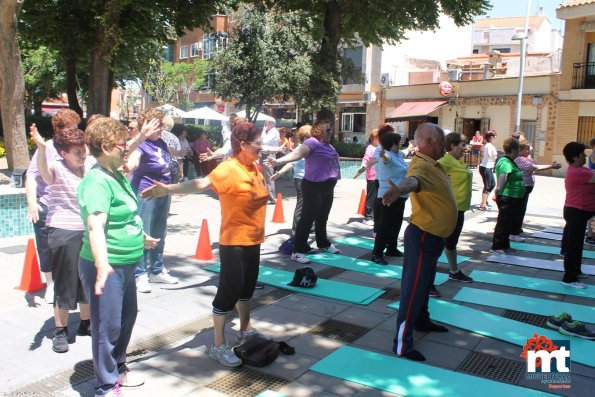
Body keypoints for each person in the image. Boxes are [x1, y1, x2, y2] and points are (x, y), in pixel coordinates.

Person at [141, 121, 269, 367]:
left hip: (254, 240)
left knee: (247, 290)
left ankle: (246, 330)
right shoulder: (229, 168)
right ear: (242, 145)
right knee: (228, 294)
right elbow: (200, 183)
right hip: (234, 242)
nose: (261, 148)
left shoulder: (254, 167)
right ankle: (218, 345)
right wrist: (168, 189)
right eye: (258, 144)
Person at [78, 117, 159, 396]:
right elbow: (95, 225)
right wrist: (101, 263)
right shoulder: (97, 180)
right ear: (105, 146)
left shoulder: (115, 174)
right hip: (107, 266)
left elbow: (124, 216)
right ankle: (105, 385)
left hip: (126, 263)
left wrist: (141, 235)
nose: (126, 149)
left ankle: (119, 367)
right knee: (107, 327)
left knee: (125, 319)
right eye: (122, 145)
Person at [382, 123, 457, 362]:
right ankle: (401, 345)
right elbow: (412, 181)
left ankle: (422, 320)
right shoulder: (421, 165)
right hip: (423, 236)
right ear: (429, 142)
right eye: (441, 140)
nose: (444, 144)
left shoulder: (434, 163)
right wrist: (398, 190)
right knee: (413, 288)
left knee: (425, 283)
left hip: (433, 236)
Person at [30, 125, 93, 354]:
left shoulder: (90, 167)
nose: (82, 154)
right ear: (64, 153)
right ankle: (60, 330)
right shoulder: (57, 167)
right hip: (64, 231)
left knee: (87, 281)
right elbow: (43, 173)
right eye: (77, 152)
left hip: (88, 232)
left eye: (83, 149)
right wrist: (40, 147)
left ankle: (86, 323)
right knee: (65, 284)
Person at [267, 120, 342, 264]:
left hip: (328, 186)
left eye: (330, 130)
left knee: (322, 217)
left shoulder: (328, 145)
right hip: (314, 186)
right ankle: (298, 250)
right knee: (307, 218)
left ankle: (323, 243)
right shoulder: (312, 143)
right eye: (327, 130)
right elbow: (297, 155)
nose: (330, 132)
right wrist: (278, 161)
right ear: (319, 131)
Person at [26, 110, 81, 304]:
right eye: (71, 127)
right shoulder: (48, 147)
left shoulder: (79, 147)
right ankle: (50, 284)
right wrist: (32, 202)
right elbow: (32, 175)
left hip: (72, 207)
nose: (75, 130)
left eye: (76, 126)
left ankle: (72, 284)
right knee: (46, 246)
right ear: (59, 129)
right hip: (49, 204)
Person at [125, 109, 179, 293]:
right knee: (144, 232)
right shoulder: (141, 145)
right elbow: (133, 159)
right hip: (145, 193)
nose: (161, 129)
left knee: (159, 232)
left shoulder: (161, 142)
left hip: (163, 191)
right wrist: (128, 166)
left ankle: (156, 269)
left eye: (162, 125)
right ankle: (139, 273)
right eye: (158, 125)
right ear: (146, 127)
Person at [438, 133, 473, 283]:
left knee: (451, 243)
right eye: (462, 145)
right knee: (438, 244)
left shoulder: (457, 162)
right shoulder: (444, 162)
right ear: (452, 146)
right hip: (449, 209)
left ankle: (454, 271)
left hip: (459, 208)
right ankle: (427, 281)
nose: (465, 148)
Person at [559, 142, 595, 289]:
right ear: (575, 157)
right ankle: (569, 278)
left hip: (577, 211)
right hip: (576, 212)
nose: (585, 156)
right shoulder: (579, 172)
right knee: (573, 246)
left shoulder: (579, 169)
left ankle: (576, 271)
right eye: (583, 154)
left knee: (577, 244)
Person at [510, 142, 561, 242]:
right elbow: (534, 167)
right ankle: (513, 233)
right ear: (520, 150)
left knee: (522, 209)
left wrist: (551, 164)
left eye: (529, 149)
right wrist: (551, 166)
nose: (528, 151)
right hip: (523, 187)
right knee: (519, 210)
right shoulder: (520, 159)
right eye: (526, 149)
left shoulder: (526, 158)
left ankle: (517, 230)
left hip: (526, 187)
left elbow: (536, 163)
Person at [371, 132, 409, 264]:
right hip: (388, 196)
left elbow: (406, 151)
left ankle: (392, 248)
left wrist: (411, 147)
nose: (399, 145)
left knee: (396, 223)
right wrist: (383, 154)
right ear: (390, 145)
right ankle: (377, 253)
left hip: (400, 195)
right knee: (386, 225)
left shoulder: (398, 154)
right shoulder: (386, 156)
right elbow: (386, 158)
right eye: (397, 143)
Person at [271, 125, 311, 235]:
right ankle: (296, 229)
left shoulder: (311, 148)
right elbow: (291, 163)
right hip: (301, 180)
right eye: (309, 136)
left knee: (310, 204)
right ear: (304, 137)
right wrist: (279, 172)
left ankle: (309, 226)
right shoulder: (300, 149)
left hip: (311, 180)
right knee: (301, 204)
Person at [491, 138, 525, 254]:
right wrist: (498, 189)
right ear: (514, 149)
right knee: (504, 221)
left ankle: (505, 245)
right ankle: (497, 245)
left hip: (512, 196)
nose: (519, 152)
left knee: (508, 221)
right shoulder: (505, 162)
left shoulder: (510, 161)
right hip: (507, 196)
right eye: (518, 149)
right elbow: (503, 176)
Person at [353, 129, 380, 226]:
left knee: (378, 198)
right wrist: (362, 167)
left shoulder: (379, 148)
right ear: (373, 139)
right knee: (371, 197)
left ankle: (374, 216)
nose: (380, 141)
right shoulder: (370, 148)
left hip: (379, 177)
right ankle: (368, 216)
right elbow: (366, 159)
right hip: (372, 177)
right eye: (378, 139)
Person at [261, 119, 281, 203]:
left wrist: (263, 131)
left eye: (266, 123)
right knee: (265, 176)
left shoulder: (273, 132)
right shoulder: (270, 131)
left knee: (268, 176)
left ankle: (271, 197)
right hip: (266, 154)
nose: (265, 124)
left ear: (271, 124)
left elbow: (264, 141)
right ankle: (268, 196)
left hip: (268, 155)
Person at [160, 115, 184, 183]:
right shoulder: (174, 137)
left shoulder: (157, 135)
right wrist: (181, 171)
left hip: (160, 164)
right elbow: (179, 157)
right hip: (173, 165)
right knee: (171, 190)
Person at [478, 131, 498, 210]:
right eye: (494, 137)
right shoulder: (488, 145)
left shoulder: (491, 146)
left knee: (492, 184)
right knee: (487, 186)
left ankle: (485, 200)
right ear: (491, 138)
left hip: (489, 167)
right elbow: (489, 154)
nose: (495, 138)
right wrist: (493, 158)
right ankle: (482, 204)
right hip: (485, 167)